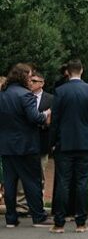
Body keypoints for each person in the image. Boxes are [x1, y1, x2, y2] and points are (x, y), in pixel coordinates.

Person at [50, 58, 88, 233]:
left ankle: (59, 223)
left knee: (63, 182)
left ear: (67, 71)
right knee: (81, 182)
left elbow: (55, 120)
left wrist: (52, 143)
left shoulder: (60, 91)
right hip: (85, 142)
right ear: (81, 70)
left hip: (64, 143)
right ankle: (81, 222)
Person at [0, 64, 51, 228]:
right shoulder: (26, 95)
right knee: (32, 181)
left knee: (9, 182)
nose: (31, 79)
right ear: (23, 76)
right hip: (26, 145)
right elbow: (35, 117)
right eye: (29, 76)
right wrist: (46, 114)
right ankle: (38, 216)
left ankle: (11, 218)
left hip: (7, 145)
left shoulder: (3, 94)